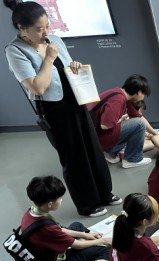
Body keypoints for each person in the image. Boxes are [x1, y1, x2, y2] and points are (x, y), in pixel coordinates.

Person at [4, 0, 120, 217]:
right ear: (22, 28)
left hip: (77, 101)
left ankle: (105, 193)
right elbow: (38, 87)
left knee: (93, 148)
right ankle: (87, 204)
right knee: (74, 156)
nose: (46, 32)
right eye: (39, 29)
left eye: (47, 26)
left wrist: (74, 66)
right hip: (55, 109)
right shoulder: (15, 50)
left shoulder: (55, 40)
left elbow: (66, 68)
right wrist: (48, 58)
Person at [20, 176, 111, 261]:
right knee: (106, 251)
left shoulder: (33, 211)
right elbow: (77, 245)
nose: (62, 200)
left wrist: (85, 235)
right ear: (50, 204)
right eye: (60, 198)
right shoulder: (46, 228)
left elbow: (59, 229)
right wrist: (103, 240)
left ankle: (89, 250)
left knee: (77, 226)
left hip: (43, 250)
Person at [89, 74, 154, 169]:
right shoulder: (118, 100)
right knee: (138, 125)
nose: (143, 97)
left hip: (95, 136)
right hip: (96, 139)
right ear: (139, 92)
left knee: (137, 123)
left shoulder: (120, 94)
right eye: (144, 94)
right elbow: (105, 125)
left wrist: (155, 133)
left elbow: (139, 117)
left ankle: (111, 153)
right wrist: (120, 120)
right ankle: (132, 159)